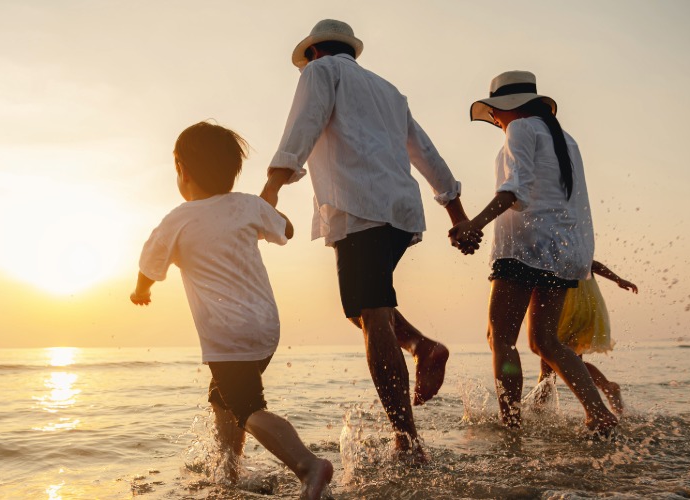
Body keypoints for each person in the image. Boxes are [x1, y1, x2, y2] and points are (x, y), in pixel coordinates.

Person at [260, 19, 476, 460]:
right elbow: (425, 151)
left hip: (360, 208)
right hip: (398, 212)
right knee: (361, 308)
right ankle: (422, 346)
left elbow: (303, 126)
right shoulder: (389, 92)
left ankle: (408, 441)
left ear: (315, 52)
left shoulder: (319, 74)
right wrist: (456, 212)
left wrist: (271, 188)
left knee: (372, 314)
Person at [131, 122, 332, 498]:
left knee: (247, 407)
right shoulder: (247, 205)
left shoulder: (177, 220)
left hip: (228, 334)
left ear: (182, 171)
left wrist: (140, 291)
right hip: (266, 328)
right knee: (222, 397)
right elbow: (285, 231)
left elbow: (148, 266)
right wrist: (266, 215)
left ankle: (308, 465)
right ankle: (229, 472)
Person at [450, 70, 619, 436]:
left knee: (502, 339)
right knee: (545, 341)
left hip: (525, 249)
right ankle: (598, 414)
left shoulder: (521, 129)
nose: (494, 119)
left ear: (508, 108)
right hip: (562, 252)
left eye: (495, 111)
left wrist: (473, 225)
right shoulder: (565, 139)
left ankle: (510, 424)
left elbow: (515, 191)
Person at [534, 260, 638, 415]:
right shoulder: (577, 245)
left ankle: (539, 407)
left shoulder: (554, 245)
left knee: (549, 355)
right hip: (586, 303)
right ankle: (607, 386)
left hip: (566, 305)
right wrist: (618, 279)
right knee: (572, 360)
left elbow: (592, 264)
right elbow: (593, 264)